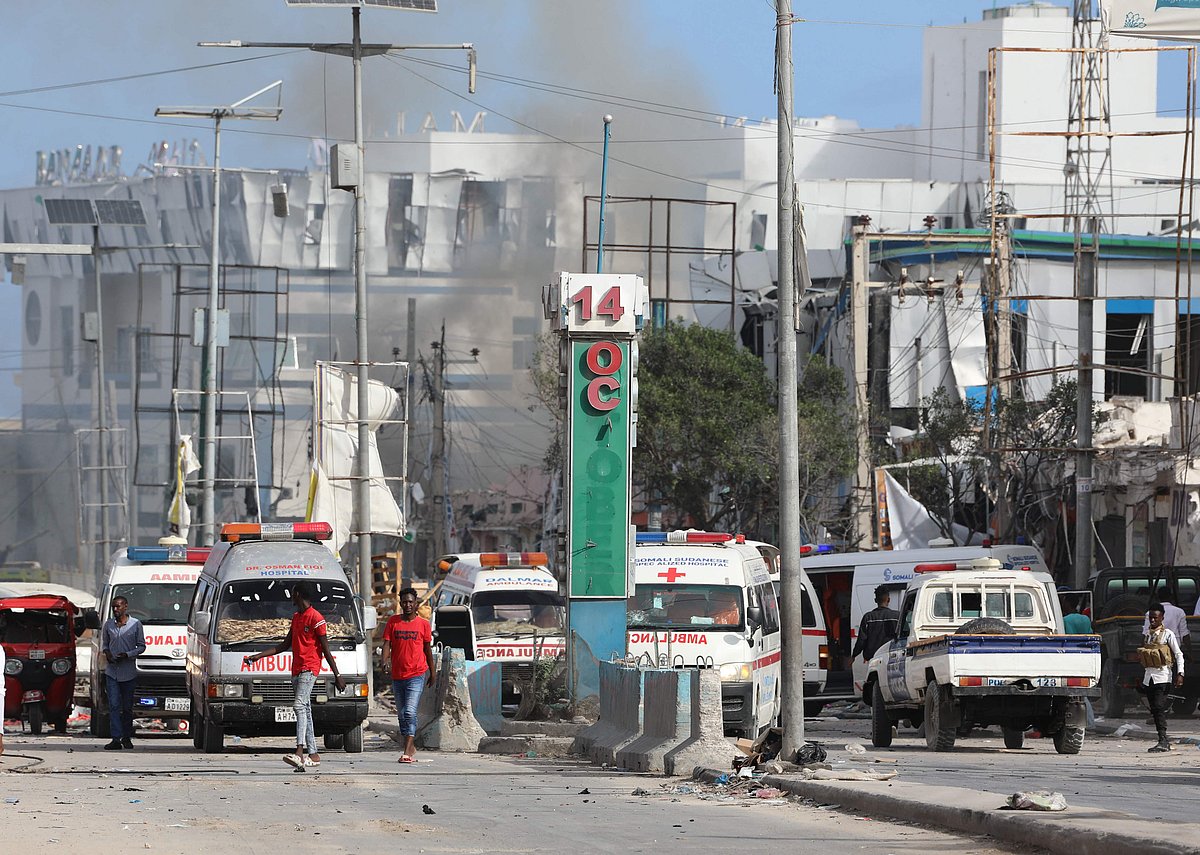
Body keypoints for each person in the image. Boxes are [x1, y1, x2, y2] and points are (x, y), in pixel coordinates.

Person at [243, 582, 345, 771]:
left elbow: (326, 649)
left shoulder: (316, 618)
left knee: (298, 705)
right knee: (305, 710)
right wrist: (258, 656)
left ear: (297, 594)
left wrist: (337, 674)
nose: (291, 597)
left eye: (292, 594)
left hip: (310, 668)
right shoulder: (297, 617)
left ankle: (299, 751)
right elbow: (283, 646)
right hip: (296, 670)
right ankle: (313, 754)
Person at [381, 588, 435, 764]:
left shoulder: (423, 625)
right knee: (402, 714)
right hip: (398, 675)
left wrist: (432, 673)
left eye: (411, 602)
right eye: (404, 602)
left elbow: (427, 650)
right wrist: (385, 660)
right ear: (400, 603)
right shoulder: (393, 622)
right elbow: (387, 644)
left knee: (410, 711)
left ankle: (407, 750)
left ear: (416, 603)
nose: (408, 605)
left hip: (417, 674)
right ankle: (409, 744)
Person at [101, 595, 146, 750]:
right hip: (112, 672)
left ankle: (127, 737)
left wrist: (127, 654)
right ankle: (115, 738)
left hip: (128, 672)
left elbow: (141, 646)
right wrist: (107, 653)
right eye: (113, 607)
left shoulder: (135, 625)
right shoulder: (108, 625)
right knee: (113, 705)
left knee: (127, 707)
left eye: (118, 606)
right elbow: (105, 644)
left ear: (125, 607)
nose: (115, 610)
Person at [1142, 603, 1185, 753]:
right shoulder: (1147, 635)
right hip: (1149, 678)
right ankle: (1162, 739)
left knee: (1159, 707)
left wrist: (1181, 674)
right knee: (1154, 709)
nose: (1152, 620)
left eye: (1155, 617)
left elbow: (1178, 654)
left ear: (1162, 618)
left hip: (1163, 676)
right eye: (1151, 618)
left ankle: (1163, 740)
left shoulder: (1168, 634)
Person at [851, 586, 900, 663]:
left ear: (875, 600)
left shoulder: (868, 618)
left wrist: (854, 655)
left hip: (873, 659)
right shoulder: (897, 616)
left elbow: (861, 640)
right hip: (892, 657)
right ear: (889, 600)